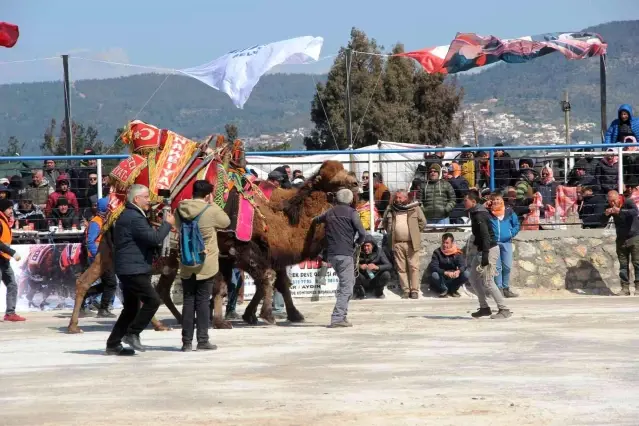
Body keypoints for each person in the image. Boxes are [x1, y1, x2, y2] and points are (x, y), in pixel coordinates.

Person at [105, 184, 174, 356]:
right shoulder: (134, 217)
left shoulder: (132, 215)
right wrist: (167, 224)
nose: (148, 201)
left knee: (131, 308)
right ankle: (133, 333)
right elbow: (154, 239)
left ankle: (113, 344)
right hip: (132, 269)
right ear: (136, 199)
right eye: (145, 197)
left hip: (130, 268)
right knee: (153, 300)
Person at [176, 180, 230, 352]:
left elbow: (178, 226)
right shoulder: (211, 210)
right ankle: (202, 340)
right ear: (208, 195)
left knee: (188, 301)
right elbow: (226, 222)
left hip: (186, 261)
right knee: (203, 302)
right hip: (206, 263)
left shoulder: (180, 209)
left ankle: (186, 343)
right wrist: (213, 204)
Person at [312, 188, 366, 327]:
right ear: (350, 200)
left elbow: (315, 220)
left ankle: (343, 315)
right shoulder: (352, 213)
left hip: (332, 254)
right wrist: (357, 244)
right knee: (346, 287)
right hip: (345, 253)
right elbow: (362, 233)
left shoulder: (330, 212)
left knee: (349, 283)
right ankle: (337, 318)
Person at [464, 190, 512, 319]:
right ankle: (484, 307)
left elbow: (485, 236)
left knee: (488, 281)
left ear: (473, 202)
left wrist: (485, 255)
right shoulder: (476, 212)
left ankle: (504, 309)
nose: (464, 202)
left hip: (488, 249)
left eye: (466, 200)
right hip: (483, 249)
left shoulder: (479, 215)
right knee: (473, 278)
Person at [382, 190, 426, 299]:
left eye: (400, 197)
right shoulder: (391, 209)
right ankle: (406, 290)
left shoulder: (414, 207)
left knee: (414, 267)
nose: (397, 200)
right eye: (396, 197)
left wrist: (414, 232)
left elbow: (423, 222)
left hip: (412, 243)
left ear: (406, 198)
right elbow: (385, 222)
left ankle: (414, 290)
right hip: (397, 243)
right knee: (401, 268)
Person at [83, 196, 117, 318]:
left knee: (106, 284)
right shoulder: (96, 222)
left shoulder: (104, 221)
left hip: (103, 257)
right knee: (111, 283)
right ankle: (103, 309)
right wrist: (96, 256)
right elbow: (90, 241)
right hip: (99, 258)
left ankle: (84, 296)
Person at [605, 190, 639, 296]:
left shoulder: (628, 202)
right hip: (621, 238)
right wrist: (605, 214)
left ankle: (638, 287)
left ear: (618, 197)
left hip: (634, 236)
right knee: (623, 265)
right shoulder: (609, 205)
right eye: (610, 201)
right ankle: (625, 288)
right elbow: (601, 222)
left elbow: (635, 212)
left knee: (637, 263)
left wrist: (620, 211)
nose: (612, 203)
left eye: (614, 201)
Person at [488, 193, 520, 298]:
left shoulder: (509, 212)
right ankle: (499, 289)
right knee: (497, 268)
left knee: (507, 266)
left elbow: (517, 225)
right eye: (494, 200)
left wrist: (511, 233)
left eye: (498, 199)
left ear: (502, 200)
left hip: (507, 243)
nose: (496, 201)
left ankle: (506, 288)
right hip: (494, 244)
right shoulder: (488, 213)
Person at [0, 199, 26, 322]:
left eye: (12, 208)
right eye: (9, 208)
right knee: (11, 284)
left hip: (4, 259)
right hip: (2, 258)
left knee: (12, 284)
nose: (11, 211)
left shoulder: (6, 222)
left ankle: (10, 313)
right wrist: (12, 252)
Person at [428, 233, 469, 298]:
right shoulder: (437, 252)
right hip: (442, 277)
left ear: (452, 243)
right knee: (434, 275)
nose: (444, 245)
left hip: (453, 277)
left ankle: (453, 290)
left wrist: (458, 271)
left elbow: (463, 265)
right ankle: (444, 289)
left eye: (447, 243)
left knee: (466, 274)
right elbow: (433, 266)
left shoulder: (457, 252)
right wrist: (445, 272)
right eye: (443, 242)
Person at [354, 235, 392, 299]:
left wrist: (377, 267)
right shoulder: (358, 252)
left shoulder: (379, 252)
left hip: (375, 279)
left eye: (368, 246)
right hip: (363, 279)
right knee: (352, 272)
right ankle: (360, 292)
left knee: (386, 274)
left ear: (373, 246)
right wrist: (359, 266)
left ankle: (378, 291)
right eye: (364, 246)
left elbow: (389, 265)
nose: (366, 248)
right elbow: (350, 264)